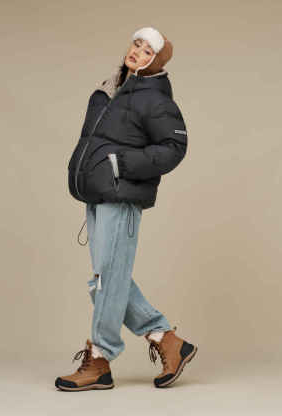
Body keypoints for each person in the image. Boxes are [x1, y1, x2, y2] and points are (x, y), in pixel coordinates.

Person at [56, 27, 197, 392]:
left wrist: (120, 165)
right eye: (137, 44)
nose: (137, 51)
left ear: (157, 61)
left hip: (121, 195)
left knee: (108, 279)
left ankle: (100, 359)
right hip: (98, 192)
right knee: (106, 279)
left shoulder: (154, 99)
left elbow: (174, 147)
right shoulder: (113, 90)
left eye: (148, 50)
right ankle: (167, 340)